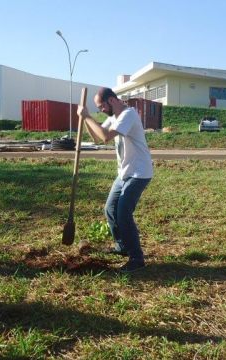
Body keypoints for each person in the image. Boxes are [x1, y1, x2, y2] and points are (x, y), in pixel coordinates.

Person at [77, 88, 153, 273]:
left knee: (123, 213)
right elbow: (98, 137)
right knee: (110, 209)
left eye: (101, 105)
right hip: (124, 174)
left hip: (139, 173)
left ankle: (137, 258)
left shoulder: (128, 114)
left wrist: (87, 116)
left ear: (111, 100)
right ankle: (122, 246)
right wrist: (85, 119)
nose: (101, 109)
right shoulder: (114, 117)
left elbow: (106, 136)